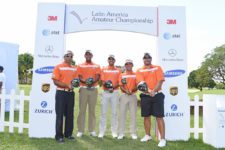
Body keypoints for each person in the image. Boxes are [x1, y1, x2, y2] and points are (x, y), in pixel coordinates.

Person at [136, 52, 166, 147]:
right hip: (145, 95)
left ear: (151, 59)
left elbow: (160, 80)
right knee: (146, 116)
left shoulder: (157, 67)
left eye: (148, 57)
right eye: (145, 58)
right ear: (143, 59)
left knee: (159, 117)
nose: (147, 59)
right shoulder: (139, 70)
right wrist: (149, 91)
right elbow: (141, 83)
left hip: (157, 95)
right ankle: (147, 135)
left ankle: (162, 139)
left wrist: (154, 91)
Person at [52, 50, 77, 143]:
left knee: (70, 115)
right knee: (60, 115)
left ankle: (68, 134)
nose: (69, 57)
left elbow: (76, 80)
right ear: (64, 56)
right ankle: (59, 136)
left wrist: (75, 84)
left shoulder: (75, 68)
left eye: (71, 56)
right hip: (61, 93)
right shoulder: (58, 67)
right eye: (67, 56)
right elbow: (55, 81)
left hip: (70, 93)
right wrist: (67, 85)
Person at [76, 50, 101, 137]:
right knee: (82, 110)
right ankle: (80, 130)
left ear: (92, 55)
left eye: (89, 54)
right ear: (84, 55)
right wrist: (87, 82)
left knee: (92, 110)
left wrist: (92, 82)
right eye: (87, 54)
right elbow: (79, 77)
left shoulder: (97, 65)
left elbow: (98, 77)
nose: (88, 55)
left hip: (93, 89)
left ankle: (92, 130)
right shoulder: (80, 65)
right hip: (84, 89)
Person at [98, 54, 121, 138]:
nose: (111, 60)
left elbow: (119, 82)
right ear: (108, 60)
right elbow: (103, 81)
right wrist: (108, 87)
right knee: (103, 113)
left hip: (115, 92)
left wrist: (112, 88)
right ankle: (101, 132)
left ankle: (114, 131)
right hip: (105, 92)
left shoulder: (118, 70)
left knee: (114, 113)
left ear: (115, 60)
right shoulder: (103, 69)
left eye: (112, 59)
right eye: (109, 59)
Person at [117, 59, 138, 140]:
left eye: (130, 64)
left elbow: (138, 84)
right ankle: (121, 133)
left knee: (133, 115)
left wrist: (132, 90)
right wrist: (126, 91)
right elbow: (121, 85)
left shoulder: (136, 74)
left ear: (132, 65)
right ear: (125, 65)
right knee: (122, 115)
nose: (128, 65)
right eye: (127, 64)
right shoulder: (122, 75)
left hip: (133, 95)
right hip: (124, 95)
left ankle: (133, 133)